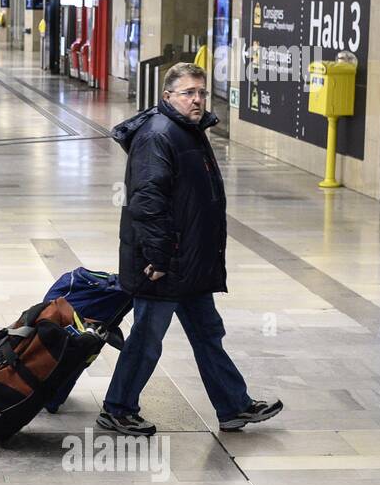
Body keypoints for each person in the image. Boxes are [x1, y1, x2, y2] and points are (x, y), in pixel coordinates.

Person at [100, 63, 284, 437]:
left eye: (201, 92)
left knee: (207, 333)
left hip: (189, 263)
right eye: (189, 93)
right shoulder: (158, 135)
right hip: (164, 263)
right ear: (167, 96)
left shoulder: (187, 131)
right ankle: (117, 408)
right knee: (148, 338)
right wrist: (158, 257)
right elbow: (147, 202)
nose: (197, 99)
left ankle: (233, 406)